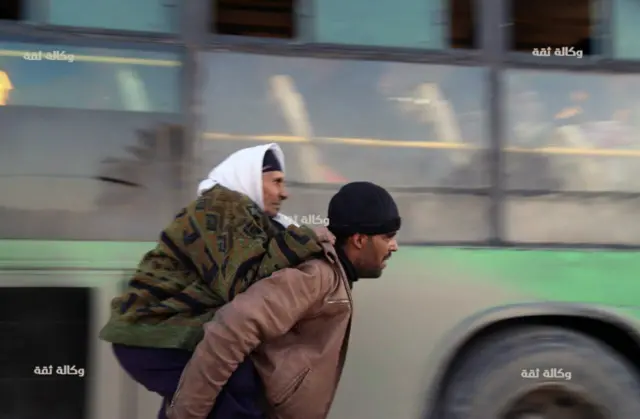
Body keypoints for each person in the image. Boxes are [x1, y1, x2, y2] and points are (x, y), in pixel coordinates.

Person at [99, 143, 335, 419]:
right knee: (231, 391)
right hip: (156, 334)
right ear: (250, 178)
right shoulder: (219, 209)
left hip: (164, 334)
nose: (284, 193)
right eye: (276, 182)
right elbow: (241, 282)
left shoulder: (246, 218)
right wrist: (304, 240)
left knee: (203, 400)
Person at [167, 181, 401, 419]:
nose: (395, 246)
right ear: (359, 240)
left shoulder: (335, 276)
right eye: (388, 236)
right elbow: (231, 327)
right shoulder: (317, 277)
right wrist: (186, 415)